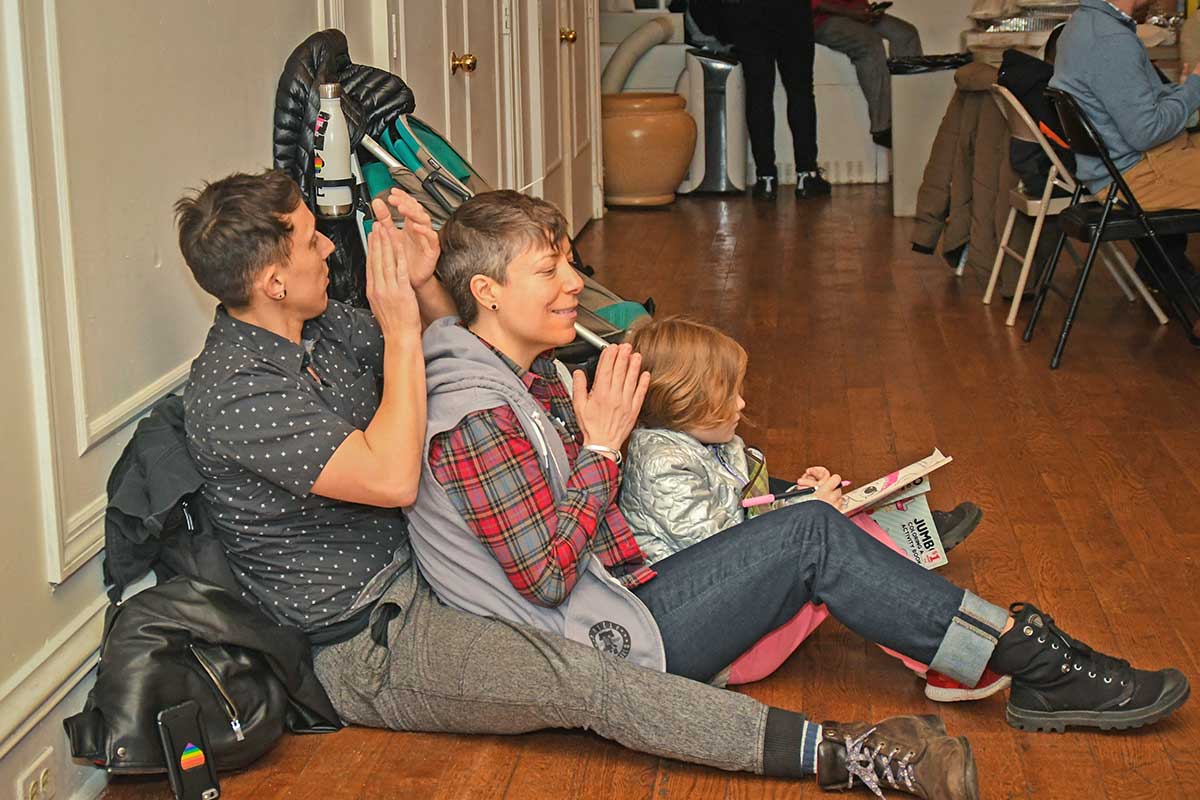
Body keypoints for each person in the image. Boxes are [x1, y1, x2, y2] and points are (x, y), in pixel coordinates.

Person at [175, 170, 977, 798]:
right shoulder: (237, 394)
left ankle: (945, 623)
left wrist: (422, 285)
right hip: (368, 639)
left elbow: (449, 345)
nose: (330, 248)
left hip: (441, 571)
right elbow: (390, 476)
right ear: (271, 280)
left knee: (716, 565)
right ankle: (848, 755)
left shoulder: (324, 328)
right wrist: (403, 324)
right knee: (589, 682)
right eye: (311, 239)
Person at [407, 188, 1189, 743]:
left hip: (625, 584)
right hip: (607, 637)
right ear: (488, 292)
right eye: (550, 270)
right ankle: (1028, 660)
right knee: (812, 533)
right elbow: (544, 577)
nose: (575, 282)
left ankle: (1003, 646)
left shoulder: (507, 363)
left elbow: (459, 324)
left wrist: (422, 278)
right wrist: (605, 448)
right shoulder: (477, 419)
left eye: (568, 263)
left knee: (801, 514)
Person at [617, 315, 1003, 701]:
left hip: (742, 621)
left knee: (845, 527)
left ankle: (942, 643)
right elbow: (725, 557)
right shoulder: (661, 464)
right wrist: (805, 509)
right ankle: (947, 653)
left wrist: (797, 498)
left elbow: (748, 521)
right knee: (840, 539)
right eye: (728, 394)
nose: (741, 402)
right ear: (684, 400)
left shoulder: (711, 443)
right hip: (728, 650)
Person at [1049, 0, 1200, 212]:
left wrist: (1184, 94)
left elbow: (1133, 98)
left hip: (1120, 166)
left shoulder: (1082, 23)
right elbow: (1146, 132)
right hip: (1136, 174)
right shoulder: (1111, 40)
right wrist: (1195, 88)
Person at [712, 0, 832, 200]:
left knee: (758, 94)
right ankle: (806, 175)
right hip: (792, 12)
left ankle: (765, 178)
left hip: (750, 13)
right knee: (800, 92)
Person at [811, 0, 923, 148]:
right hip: (821, 19)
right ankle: (883, 127)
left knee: (906, 34)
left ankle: (909, 114)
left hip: (849, 12)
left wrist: (865, 9)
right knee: (868, 42)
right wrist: (849, 12)